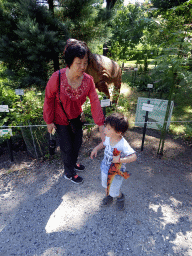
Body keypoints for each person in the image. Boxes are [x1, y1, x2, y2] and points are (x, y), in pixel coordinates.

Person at [43, 39, 105, 184]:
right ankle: (69, 172)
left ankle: (73, 163)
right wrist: (49, 120)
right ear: (70, 62)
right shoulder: (56, 78)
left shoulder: (88, 80)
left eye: (85, 63)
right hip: (60, 119)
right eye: (79, 63)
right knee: (67, 147)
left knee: (77, 144)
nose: (83, 67)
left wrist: (101, 125)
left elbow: (95, 102)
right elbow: (48, 99)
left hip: (76, 117)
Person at [90, 112, 137, 210]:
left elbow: (133, 157)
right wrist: (96, 148)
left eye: (108, 128)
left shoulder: (122, 144)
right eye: (105, 126)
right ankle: (109, 196)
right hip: (105, 168)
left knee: (114, 189)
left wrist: (120, 159)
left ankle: (120, 197)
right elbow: (104, 143)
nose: (104, 130)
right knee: (105, 184)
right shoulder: (108, 137)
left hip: (116, 172)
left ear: (119, 132)